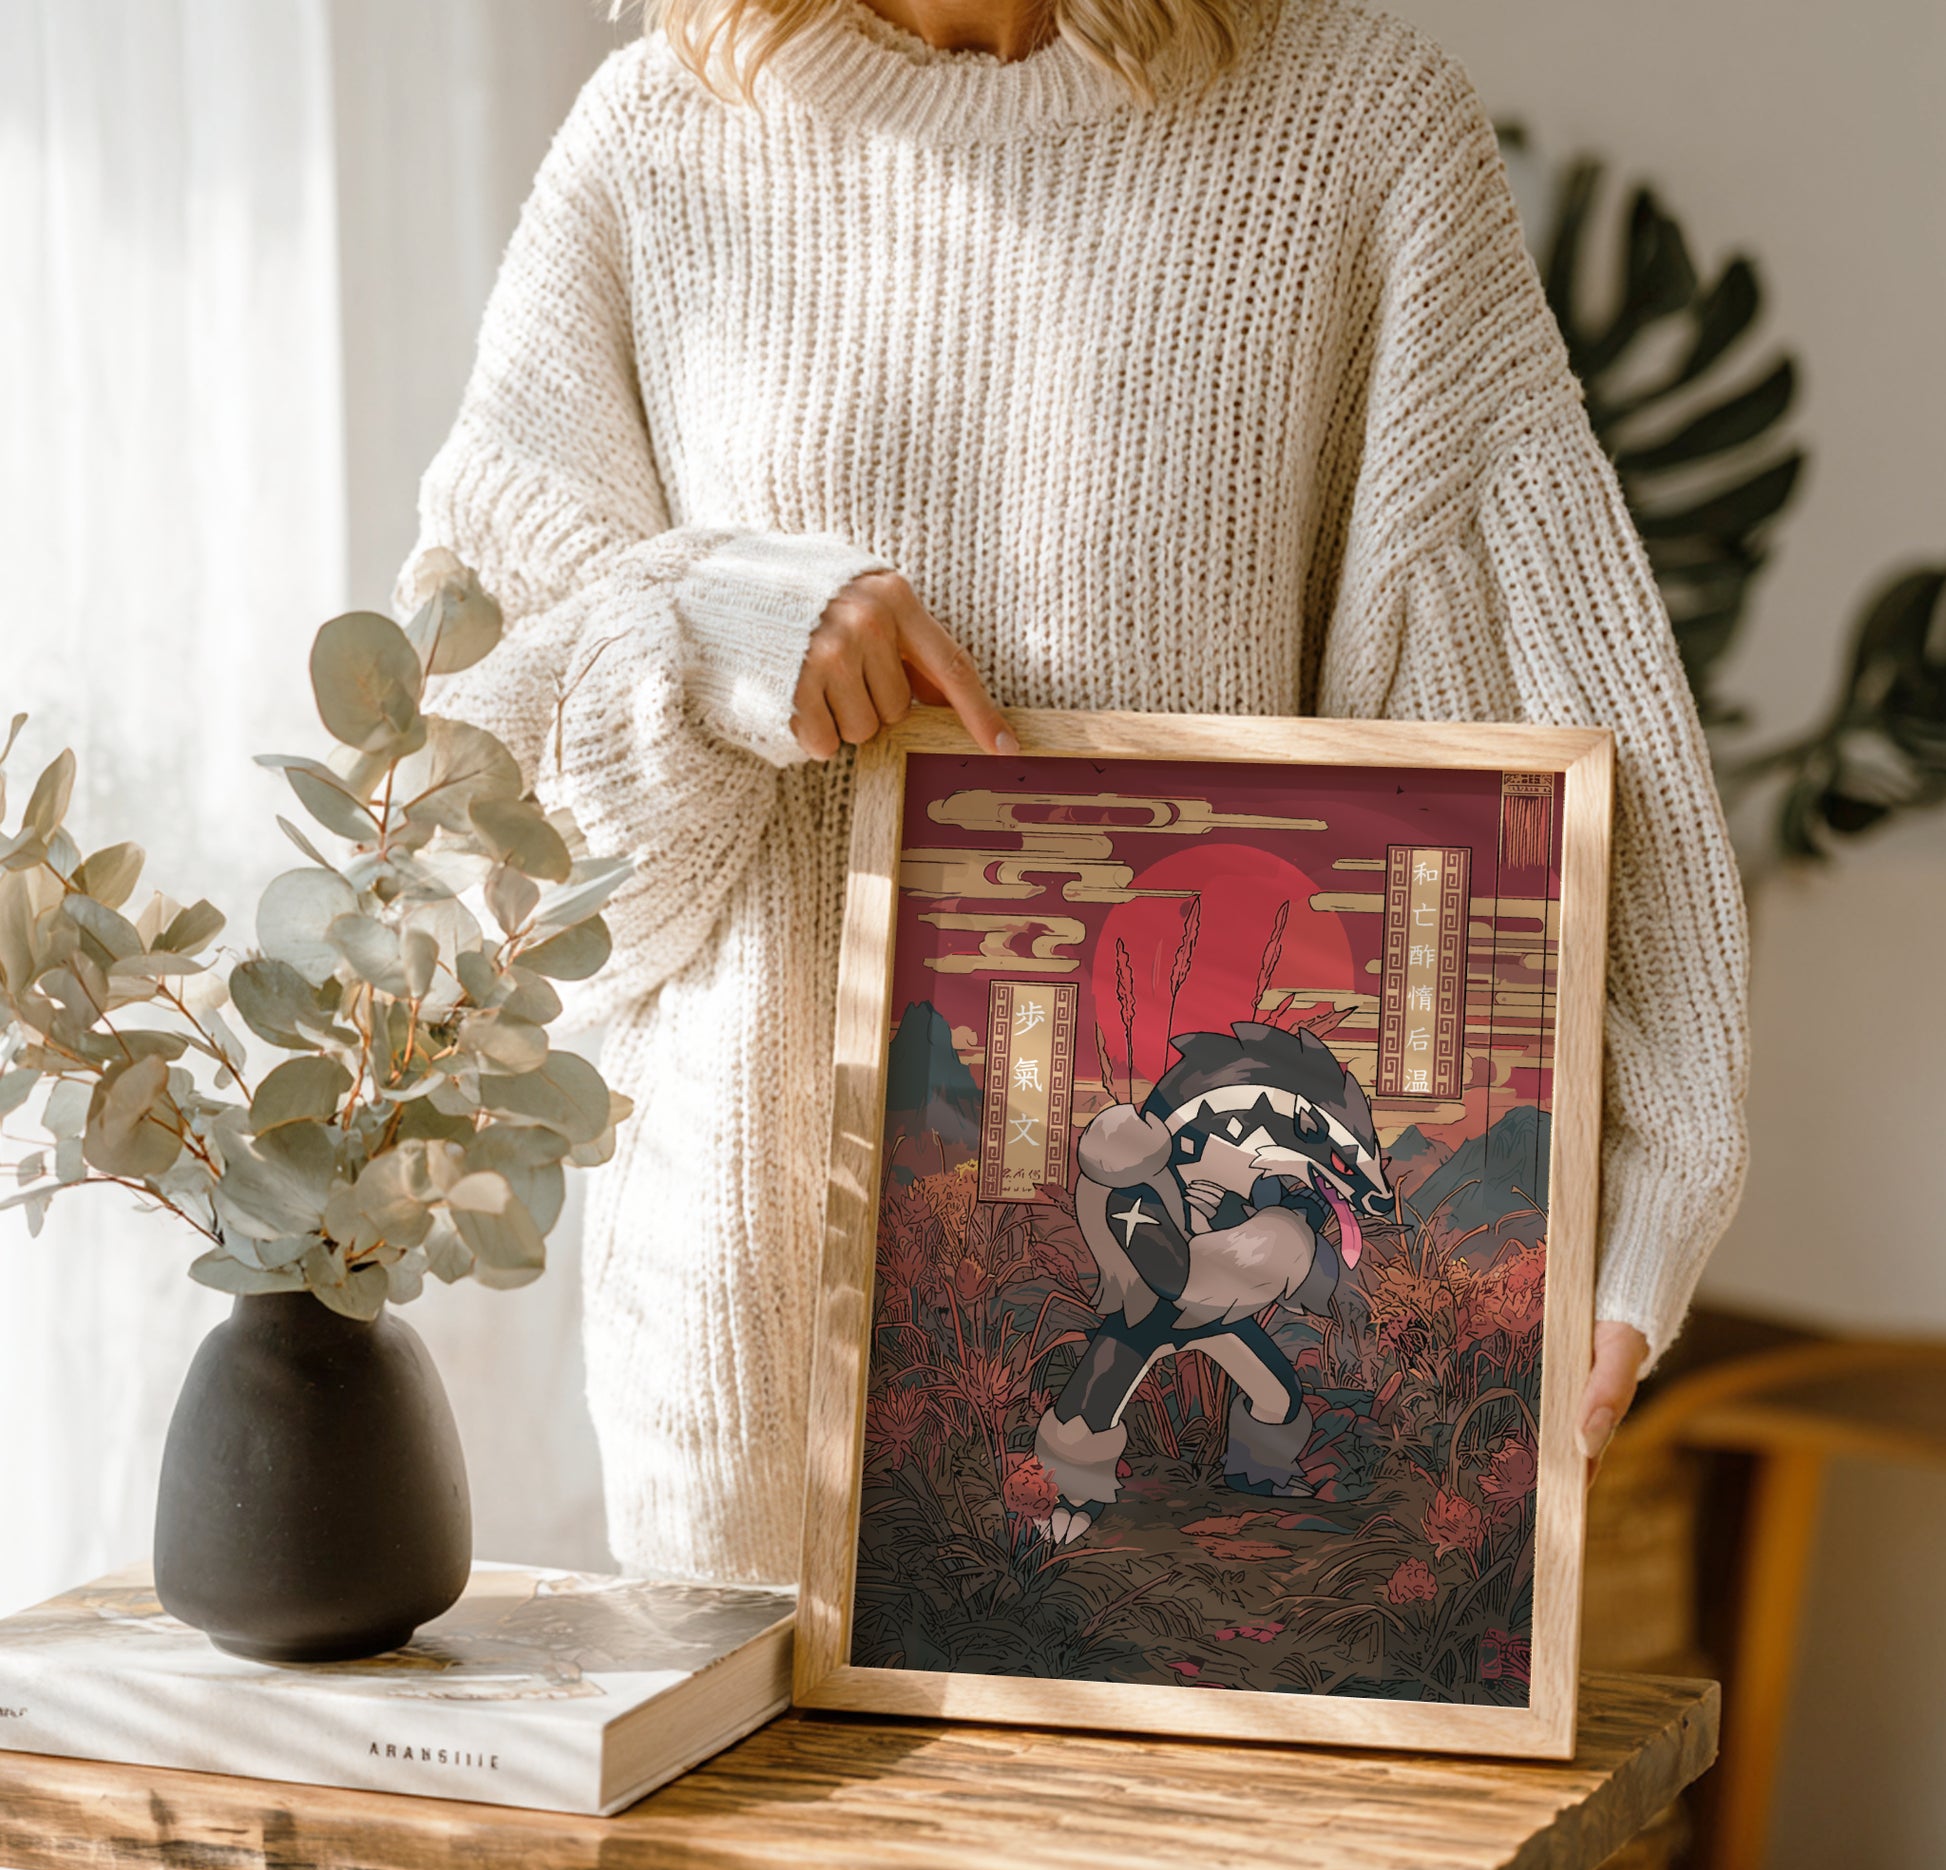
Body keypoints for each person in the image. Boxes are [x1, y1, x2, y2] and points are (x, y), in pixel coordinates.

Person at [397, 0, 1749, 1588]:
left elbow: (1536, 706)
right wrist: (712, 625)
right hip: (744, 1357)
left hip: (1213, 1413)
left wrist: (1638, 1185)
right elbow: (469, 825)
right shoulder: (654, 142)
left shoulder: (1354, 129)